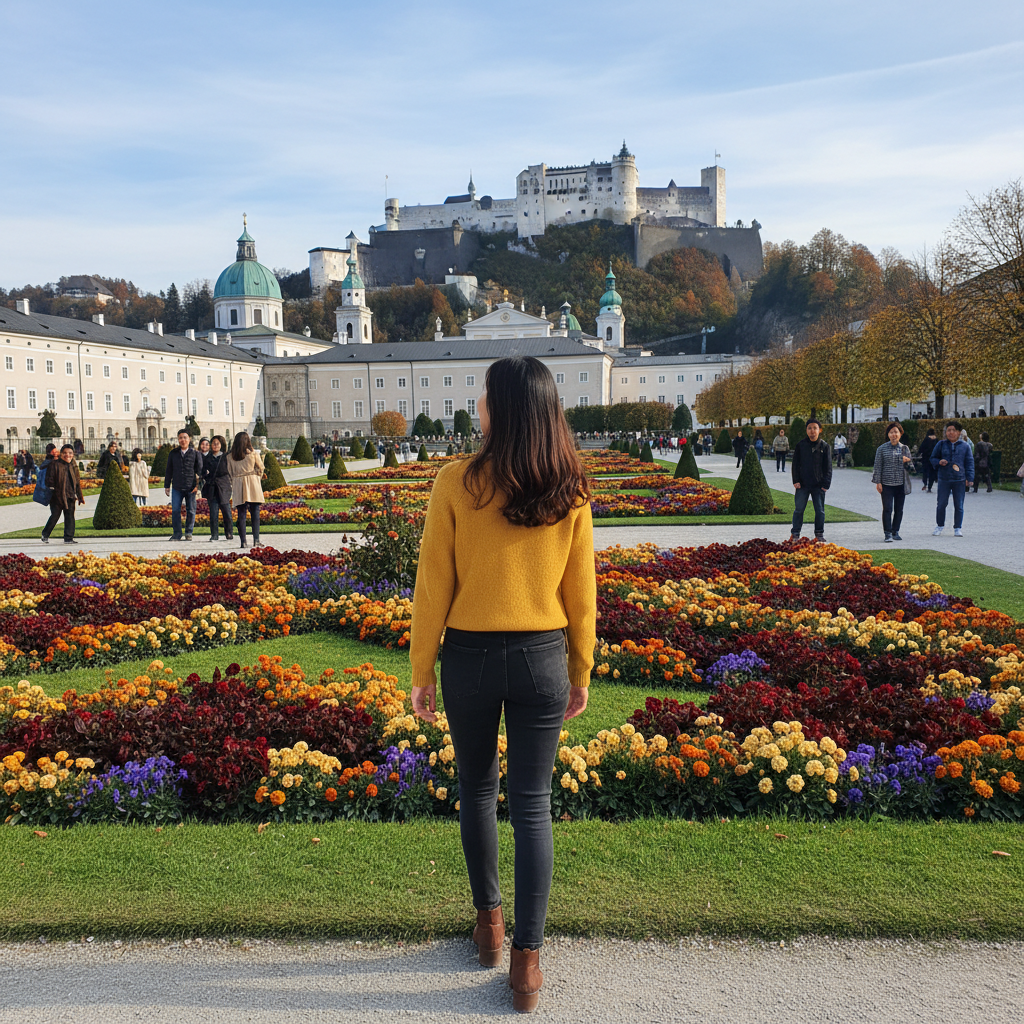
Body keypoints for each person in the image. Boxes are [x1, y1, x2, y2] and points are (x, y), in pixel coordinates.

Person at [410, 356, 595, 1014]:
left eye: (485, 396)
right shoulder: (570, 487)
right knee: (534, 805)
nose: (479, 404)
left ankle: (490, 928)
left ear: (505, 408)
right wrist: (580, 667)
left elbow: (434, 584)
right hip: (542, 655)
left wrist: (421, 668)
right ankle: (527, 964)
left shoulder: (457, 481)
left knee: (478, 790)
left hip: (469, 656)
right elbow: (582, 592)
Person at [790, 418, 832, 542]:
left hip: (818, 485)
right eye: (809, 428)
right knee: (798, 509)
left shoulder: (825, 446)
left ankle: (819, 533)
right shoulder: (801, 445)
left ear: (820, 430)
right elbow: (795, 464)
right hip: (802, 484)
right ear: (806, 430)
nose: (812, 431)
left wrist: (826, 484)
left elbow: (828, 467)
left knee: (820, 511)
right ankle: (795, 533)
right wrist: (795, 480)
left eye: (815, 428)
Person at [930, 421, 974, 537]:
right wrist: (939, 462)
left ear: (959, 432)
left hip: (959, 479)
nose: (950, 432)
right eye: (948, 430)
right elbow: (932, 458)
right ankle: (939, 525)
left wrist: (970, 478)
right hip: (944, 478)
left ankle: (958, 527)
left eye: (953, 430)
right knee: (941, 504)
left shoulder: (965, 446)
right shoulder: (941, 444)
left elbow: (969, 462)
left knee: (959, 505)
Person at [872, 422, 913, 542]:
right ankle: (887, 533)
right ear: (888, 434)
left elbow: (912, 468)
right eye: (891, 432)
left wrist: (907, 461)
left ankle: (896, 531)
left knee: (899, 509)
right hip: (887, 484)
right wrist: (878, 482)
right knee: (887, 508)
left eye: (896, 432)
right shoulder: (882, 449)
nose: (894, 434)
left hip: (901, 483)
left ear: (900, 434)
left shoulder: (905, 448)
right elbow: (877, 466)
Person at [227, 430, 265, 549]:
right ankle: (256, 540)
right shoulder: (253, 454)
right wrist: (257, 476)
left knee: (241, 514)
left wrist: (235, 480)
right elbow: (261, 467)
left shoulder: (230, 456)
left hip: (238, 483)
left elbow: (229, 472)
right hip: (252, 482)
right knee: (255, 514)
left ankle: (243, 541)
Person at [164, 429, 203, 542]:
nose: (183, 440)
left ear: (189, 439)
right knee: (175, 510)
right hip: (177, 486)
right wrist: (167, 486)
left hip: (190, 487)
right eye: (180, 437)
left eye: (185, 437)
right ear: (178, 439)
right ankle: (177, 533)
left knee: (191, 510)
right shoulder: (173, 453)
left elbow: (200, 471)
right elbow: (169, 470)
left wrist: (198, 486)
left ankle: (188, 532)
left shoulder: (195, 454)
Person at [41, 444, 85, 544]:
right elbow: (49, 481)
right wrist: (54, 490)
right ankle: (45, 534)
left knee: (70, 516)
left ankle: (68, 538)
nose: (67, 455)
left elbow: (77, 482)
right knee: (55, 515)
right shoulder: (54, 464)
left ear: (73, 454)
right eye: (65, 453)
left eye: (70, 453)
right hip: (57, 496)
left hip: (70, 495)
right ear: (61, 454)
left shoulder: (73, 465)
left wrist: (80, 496)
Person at [202, 434, 234, 541]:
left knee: (226, 511)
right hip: (212, 487)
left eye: (217, 443)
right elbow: (202, 471)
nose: (215, 445)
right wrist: (206, 476)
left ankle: (229, 532)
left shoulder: (225, 457)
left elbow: (229, 471)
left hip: (223, 486)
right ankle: (214, 534)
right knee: (213, 513)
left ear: (221, 445)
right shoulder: (207, 458)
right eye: (213, 443)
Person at [918, 427, 938, 493]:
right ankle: (930, 487)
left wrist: (919, 453)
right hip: (933, 459)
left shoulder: (926, 439)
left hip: (926, 458)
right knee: (932, 473)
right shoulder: (936, 440)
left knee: (925, 472)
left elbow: (921, 448)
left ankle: (925, 483)